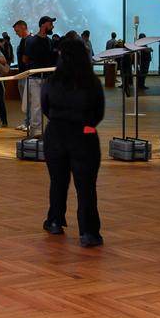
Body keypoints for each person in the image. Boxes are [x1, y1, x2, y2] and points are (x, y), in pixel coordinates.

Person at [40, 35, 105, 245]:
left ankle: (54, 221)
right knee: (86, 186)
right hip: (84, 135)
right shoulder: (92, 82)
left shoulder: (51, 82)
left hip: (56, 134)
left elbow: (46, 108)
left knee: (58, 182)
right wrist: (86, 124)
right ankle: (88, 232)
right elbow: (99, 113)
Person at [14, 19, 49, 137]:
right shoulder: (23, 41)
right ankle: (27, 122)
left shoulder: (31, 40)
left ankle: (30, 124)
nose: (16, 33)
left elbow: (27, 58)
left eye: (17, 31)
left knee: (33, 102)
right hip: (22, 74)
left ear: (23, 27)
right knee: (26, 101)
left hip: (30, 75)